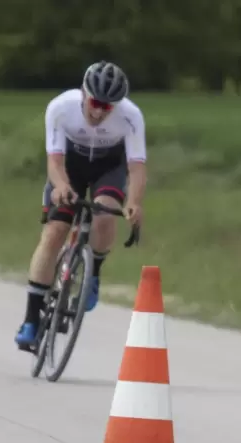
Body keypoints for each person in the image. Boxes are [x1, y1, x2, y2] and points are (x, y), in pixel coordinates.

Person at [14, 60, 147, 351]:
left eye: (108, 107)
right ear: (84, 94)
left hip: (107, 167)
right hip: (70, 167)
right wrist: (61, 186)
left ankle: (93, 273)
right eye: (96, 102)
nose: (99, 111)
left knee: (104, 214)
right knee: (55, 232)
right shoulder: (61, 107)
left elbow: (136, 168)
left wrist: (135, 203)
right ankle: (30, 320)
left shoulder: (131, 116)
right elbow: (55, 161)